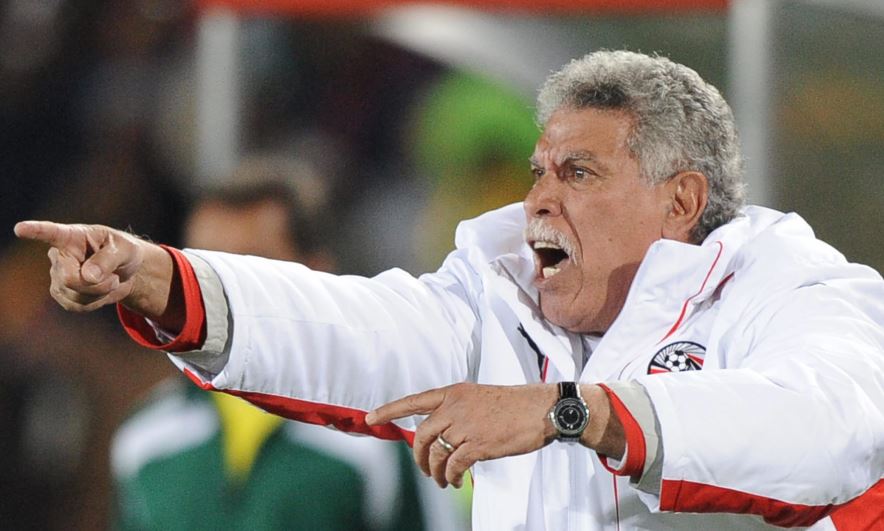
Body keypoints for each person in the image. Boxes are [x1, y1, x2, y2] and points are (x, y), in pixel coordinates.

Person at [15, 51, 884, 530]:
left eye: (579, 172)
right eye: (539, 170)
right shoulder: (501, 295)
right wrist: (158, 275)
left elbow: (831, 433)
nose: (539, 198)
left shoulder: (794, 286)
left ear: (682, 201)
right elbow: (351, 324)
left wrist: (570, 410)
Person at [109, 174, 460, 531]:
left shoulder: (387, 437)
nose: (220, 290)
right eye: (199, 270)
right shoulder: (145, 434)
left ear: (316, 273)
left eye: (249, 268)